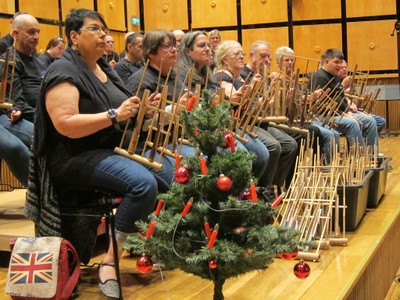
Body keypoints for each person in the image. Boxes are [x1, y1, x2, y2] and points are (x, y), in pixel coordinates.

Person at [25, 9, 158, 299]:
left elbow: (123, 115)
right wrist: (115, 114)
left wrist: (143, 113)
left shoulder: (103, 68)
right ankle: (109, 263)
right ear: (74, 36)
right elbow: (66, 125)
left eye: (104, 30)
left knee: (169, 173)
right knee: (143, 183)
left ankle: (151, 244)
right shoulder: (64, 71)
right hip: (73, 157)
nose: (104, 35)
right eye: (95, 29)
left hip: (104, 149)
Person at [126, 29, 195, 160]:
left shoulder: (175, 74)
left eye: (174, 45)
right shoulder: (140, 80)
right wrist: (174, 110)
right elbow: (135, 127)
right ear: (151, 52)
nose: (174, 50)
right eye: (166, 46)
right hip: (155, 145)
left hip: (180, 138)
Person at [240, 41, 298, 197]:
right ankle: (261, 191)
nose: (266, 60)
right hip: (247, 123)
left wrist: (277, 93)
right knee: (274, 146)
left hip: (262, 121)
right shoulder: (243, 75)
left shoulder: (263, 76)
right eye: (263, 56)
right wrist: (269, 93)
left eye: (268, 57)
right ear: (251, 56)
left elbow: (268, 106)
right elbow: (250, 108)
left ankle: (275, 186)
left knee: (291, 145)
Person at [273, 46, 340, 164]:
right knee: (317, 131)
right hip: (284, 120)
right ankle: (312, 166)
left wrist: (311, 97)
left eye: (292, 60)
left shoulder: (294, 79)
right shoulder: (276, 79)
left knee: (324, 131)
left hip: (298, 118)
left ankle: (317, 166)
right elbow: (282, 104)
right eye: (286, 60)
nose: (290, 63)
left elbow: (301, 100)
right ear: (278, 62)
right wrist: (302, 98)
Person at [214, 40, 270, 180]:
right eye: (236, 54)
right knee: (260, 154)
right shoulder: (222, 77)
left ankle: (255, 189)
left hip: (243, 124)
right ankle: (247, 192)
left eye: (242, 53)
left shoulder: (238, 76)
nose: (241, 56)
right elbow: (235, 99)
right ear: (225, 60)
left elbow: (250, 104)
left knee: (265, 153)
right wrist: (251, 88)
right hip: (231, 127)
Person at [310, 48, 379, 150]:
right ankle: (358, 158)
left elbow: (340, 98)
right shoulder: (320, 77)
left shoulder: (334, 76)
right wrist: (345, 114)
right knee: (352, 123)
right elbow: (323, 105)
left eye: (340, 62)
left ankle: (372, 155)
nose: (339, 65)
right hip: (323, 116)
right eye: (336, 62)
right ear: (327, 61)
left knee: (370, 120)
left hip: (338, 113)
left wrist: (348, 110)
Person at [0, 13, 47, 123]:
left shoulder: (41, 62)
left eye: (38, 32)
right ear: (16, 34)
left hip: (46, 114)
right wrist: (46, 118)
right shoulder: (10, 60)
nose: (36, 37)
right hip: (27, 117)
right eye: (31, 32)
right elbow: (16, 102)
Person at [338, 60, 386, 134]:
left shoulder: (350, 82)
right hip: (343, 113)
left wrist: (363, 99)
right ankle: (362, 137)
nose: (344, 69)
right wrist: (343, 85)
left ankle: (364, 137)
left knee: (381, 121)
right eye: (342, 68)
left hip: (354, 111)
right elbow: (336, 97)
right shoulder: (337, 82)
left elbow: (355, 104)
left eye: (346, 67)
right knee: (369, 121)